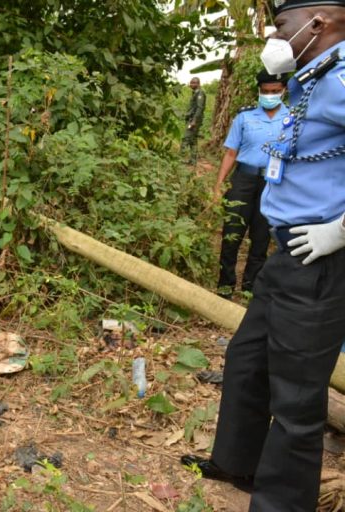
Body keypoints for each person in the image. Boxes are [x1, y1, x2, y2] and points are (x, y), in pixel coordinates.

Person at [182, 1, 345, 510]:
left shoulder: (342, 80)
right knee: (247, 360)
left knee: (297, 399)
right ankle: (237, 463)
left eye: (281, 24)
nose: (276, 33)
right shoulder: (312, 78)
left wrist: (341, 230)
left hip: (319, 258)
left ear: (319, 21)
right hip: (284, 252)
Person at [214, 71, 290, 298]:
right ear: (259, 91)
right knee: (232, 232)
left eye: (275, 92)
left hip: (273, 183)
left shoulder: (292, 119)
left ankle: (251, 288)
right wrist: (219, 184)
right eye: (265, 92)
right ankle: (225, 286)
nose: (270, 95)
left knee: (261, 236)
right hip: (243, 180)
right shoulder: (244, 118)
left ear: (283, 91)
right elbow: (230, 153)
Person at [181, 77, 206, 165]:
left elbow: (200, 108)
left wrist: (194, 121)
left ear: (198, 84)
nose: (192, 84)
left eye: (194, 83)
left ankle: (179, 160)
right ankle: (193, 161)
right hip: (192, 118)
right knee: (193, 140)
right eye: (191, 83)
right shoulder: (195, 93)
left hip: (194, 120)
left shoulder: (200, 93)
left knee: (186, 138)